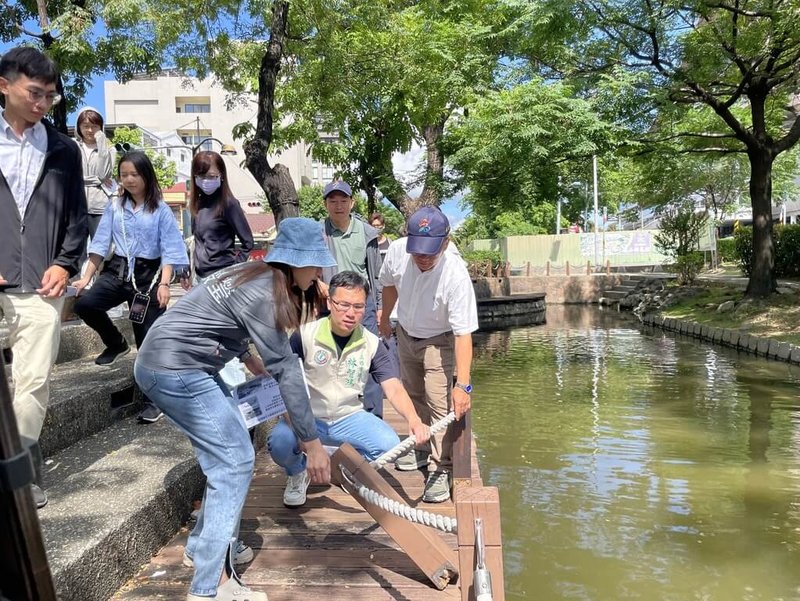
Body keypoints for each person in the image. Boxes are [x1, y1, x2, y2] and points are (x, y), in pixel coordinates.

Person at [133, 217, 334, 601]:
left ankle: (201, 547)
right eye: (315, 263)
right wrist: (311, 442)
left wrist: (246, 356)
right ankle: (211, 587)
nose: (319, 271)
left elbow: (214, 315)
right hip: (174, 369)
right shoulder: (265, 291)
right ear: (295, 262)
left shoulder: (253, 273)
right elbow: (287, 369)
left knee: (231, 454)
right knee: (236, 459)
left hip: (178, 363)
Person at [0, 46, 88, 509]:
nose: (41, 104)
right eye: (34, 93)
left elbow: (77, 216)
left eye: (50, 97)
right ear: (4, 85)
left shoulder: (62, 149)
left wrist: (65, 263)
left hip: (42, 284)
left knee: (33, 382)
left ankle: (19, 477)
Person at [268, 270, 430, 508]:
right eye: (343, 304)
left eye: (358, 306)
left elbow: (393, 387)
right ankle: (297, 472)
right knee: (279, 442)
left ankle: (341, 466)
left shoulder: (372, 343)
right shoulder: (304, 336)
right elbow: (281, 384)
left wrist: (414, 420)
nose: (351, 313)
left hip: (348, 416)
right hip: (309, 417)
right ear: (330, 303)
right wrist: (300, 431)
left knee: (390, 446)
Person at [73, 151, 188, 424]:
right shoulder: (115, 207)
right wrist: (86, 276)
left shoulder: (160, 209)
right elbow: (100, 244)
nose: (128, 180)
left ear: (146, 176)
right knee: (85, 305)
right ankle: (115, 343)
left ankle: (154, 400)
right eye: (123, 175)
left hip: (149, 276)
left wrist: (164, 284)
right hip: (118, 271)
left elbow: (170, 249)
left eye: (134, 174)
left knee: (147, 340)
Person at [378, 206, 478, 503]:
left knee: (439, 403)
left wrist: (463, 385)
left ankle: (441, 466)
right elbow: (388, 284)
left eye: (429, 252)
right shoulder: (397, 252)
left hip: (440, 339)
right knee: (413, 393)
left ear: (445, 243)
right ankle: (419, 447)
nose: (422, 258)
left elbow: (463, 334)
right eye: (417, 251)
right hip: (406, 332)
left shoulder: (456, 274)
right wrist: (385, 319)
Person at [180, 150, 254, 387]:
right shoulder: (197, 204)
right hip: (201, 279)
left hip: (223, 279)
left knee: (225, 338)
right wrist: (187, 270)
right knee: (207, 339)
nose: (207, 180)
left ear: (221, 175)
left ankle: (238, 399)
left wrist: (232, 268)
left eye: (212, 174)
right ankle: (221, 392)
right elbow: (196, 242)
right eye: (202, 175)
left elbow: (248, 242)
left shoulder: (229, 204)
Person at [319, 180, 385, 417]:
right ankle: (333, 415)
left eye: (343, 201)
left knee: (369, 357)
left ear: (352, 202)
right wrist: (319, 283)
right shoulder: (319, 233)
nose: (338, 206)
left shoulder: (367, 233)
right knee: (329, 359)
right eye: (333, 201)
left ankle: (374, 416)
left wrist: (380, 307)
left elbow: (376, 274)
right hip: (330, 303)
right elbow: (308, 269)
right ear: (325, 204)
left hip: (362, 304)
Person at [75, 107, 115, 241]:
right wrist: (95, 180)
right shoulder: (72, 147)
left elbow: (103, 175)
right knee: (75, 250)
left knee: (102, 249)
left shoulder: (110, 150)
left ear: (101, 127)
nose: (90, 130)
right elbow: (68, 176)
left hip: (100, 206)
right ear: (79, 127)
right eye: (85, 126)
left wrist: (102, 144)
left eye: (95, 126)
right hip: (75, 205)